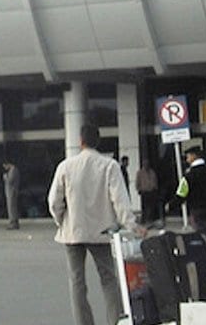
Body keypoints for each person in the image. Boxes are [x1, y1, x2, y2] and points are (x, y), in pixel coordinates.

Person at [47, 124, 138, 325]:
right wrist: (131, 225)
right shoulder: (109, 166)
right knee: (109, 280)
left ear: (81, 141)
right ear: (98, 141)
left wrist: (61, 220)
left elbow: (54, 201)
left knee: (77, 282)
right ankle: (114, 321)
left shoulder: (65, 166)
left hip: (73, 232)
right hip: (102, 232)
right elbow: (120, 201)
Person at [168, 146, 206, 253]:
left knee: (202, 230)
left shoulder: (189, 175)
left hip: (197, 208)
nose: (187, 159)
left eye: (188, 156)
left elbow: (182, 193)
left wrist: (171, 205)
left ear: (194, 156)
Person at [2, 161, 21, 229]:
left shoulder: (13, 170)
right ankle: (13, 222)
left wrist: (5, 177)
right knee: (11, 207)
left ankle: (13, 222)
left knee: (11, 208)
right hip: (10, 192)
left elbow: (10, 180)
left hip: (12, 192)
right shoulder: (13, 170)